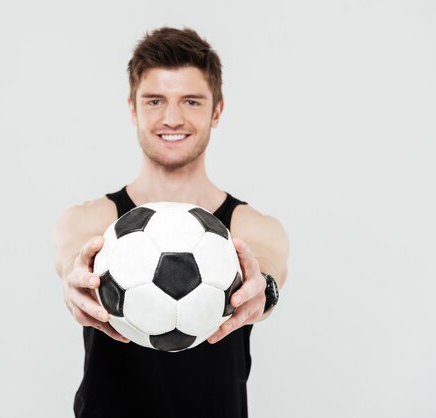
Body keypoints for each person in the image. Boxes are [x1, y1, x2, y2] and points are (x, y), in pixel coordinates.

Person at [53, 27, 289, 418]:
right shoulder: (90, 221)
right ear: (132, 108)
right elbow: (72, 267)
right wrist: (76, 287)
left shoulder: (253, 228)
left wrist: (262, 290)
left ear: (217, 110)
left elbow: (265, 273)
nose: (173, 118)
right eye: (155, 100)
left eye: (192, 101)